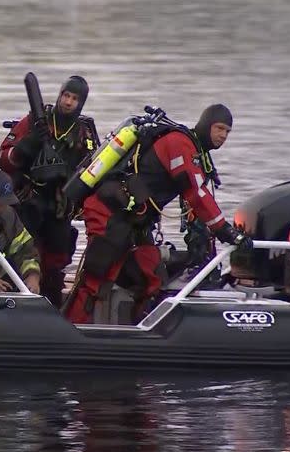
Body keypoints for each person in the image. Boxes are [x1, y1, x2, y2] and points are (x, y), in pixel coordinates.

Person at [64, 104, 253, 324]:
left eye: (227, 132)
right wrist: (226, 231)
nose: (223, 136)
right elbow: (196, 193)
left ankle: (137, 334)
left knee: (150, 277)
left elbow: (194, 204)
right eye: (219, 128)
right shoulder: (180, 144)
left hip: (135, 222)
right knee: (96, 278)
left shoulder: (196, 153)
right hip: (109, 213)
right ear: (206, 124)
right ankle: (71, 329)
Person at [0, 75, 99, 307]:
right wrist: (27, 146)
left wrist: (73, 193)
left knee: (56, 260)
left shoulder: (85, 132)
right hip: (28, 200)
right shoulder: (36, 120)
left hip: (59, 207)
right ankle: (16, 298)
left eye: (74, 99)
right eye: (66, 96)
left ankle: (52, 304)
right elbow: (4, 156)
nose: (68, 102)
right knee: (21, 253)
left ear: (81, 103)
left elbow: (93, 171)